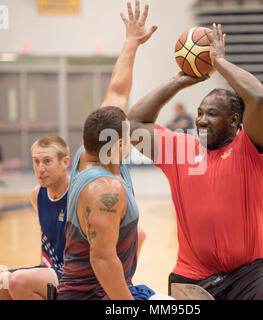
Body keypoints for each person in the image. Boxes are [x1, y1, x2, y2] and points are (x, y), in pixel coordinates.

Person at [127, 23, 263, 300]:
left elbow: (260, 99)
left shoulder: (250, 150)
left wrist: (220, 63)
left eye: (212, 114)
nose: (202, 119)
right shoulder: (180, 150)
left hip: (250, 272)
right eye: (200, 112)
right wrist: (180, 80)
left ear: (234, 122)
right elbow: (133, 124)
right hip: (193, 275)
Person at [57, 0, 164, 300]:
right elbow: (102, 261)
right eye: (128, 137)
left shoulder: (89, 151)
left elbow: (117, 91)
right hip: (93, 296)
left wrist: (131, 41)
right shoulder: (105, 189)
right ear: (117, 145)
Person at [0, 134, 70, 300]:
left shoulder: (79, 194)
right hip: (49, 269)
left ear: (65, 162)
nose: (40, 168)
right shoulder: (36, 195)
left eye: (47, 161)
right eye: (36, 161)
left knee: (17, 282)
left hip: (73, 275)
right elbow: (47, 239)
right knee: (2, 284)